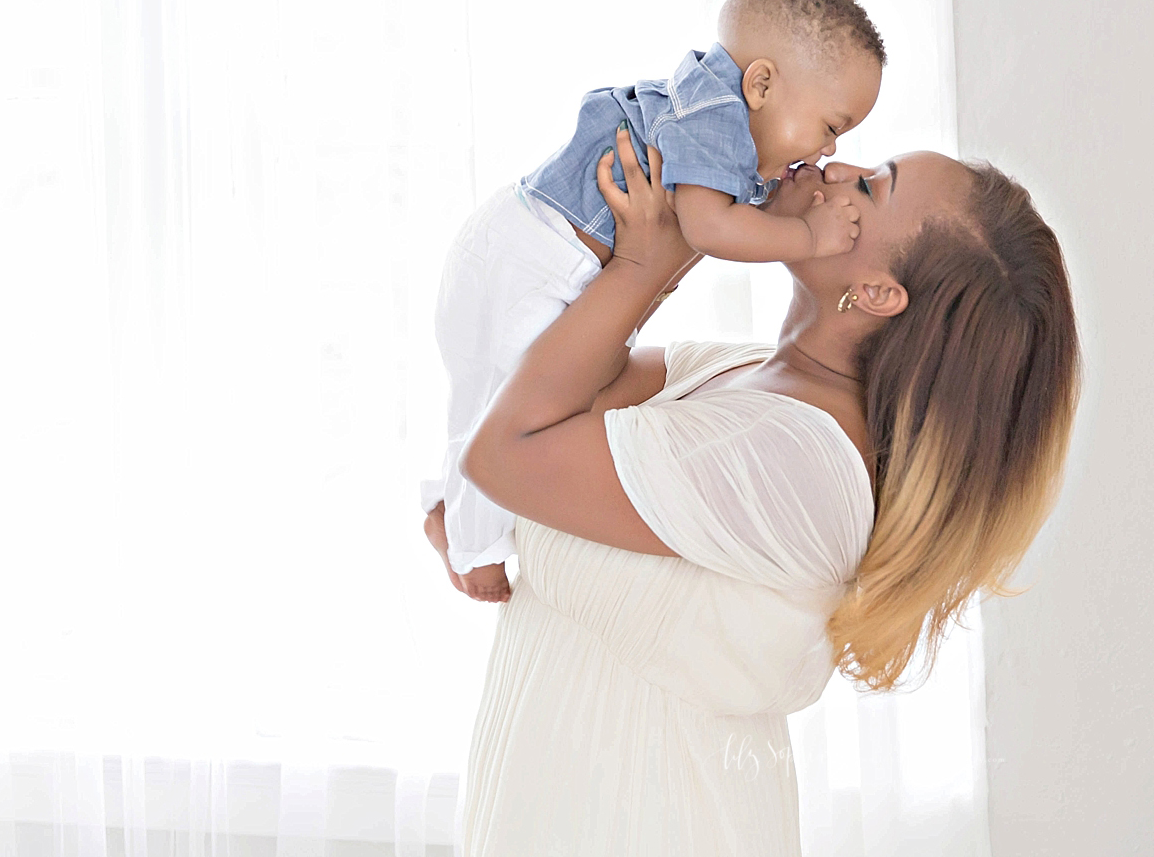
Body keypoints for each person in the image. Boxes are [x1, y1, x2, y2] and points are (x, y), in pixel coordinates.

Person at [428, 124, 1079, 854]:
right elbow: (544, 399)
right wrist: (683, 226)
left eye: (870, 185)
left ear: (875, 292)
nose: (835, 169)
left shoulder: (797, 460)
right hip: (556, 793)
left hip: (642, 821)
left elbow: (506, 454)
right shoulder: (743, 373)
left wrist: (652, 257)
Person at [421, 0, 885, 602]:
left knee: (484, 394)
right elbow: (706, 229)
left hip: (515, 243)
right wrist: (809, 238)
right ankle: (470, 550)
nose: (829, 154)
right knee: (506, 410)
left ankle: (448, 513)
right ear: (761, 83)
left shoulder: (712, 112)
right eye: (832, 127)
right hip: (533, 262)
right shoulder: (716, 122)